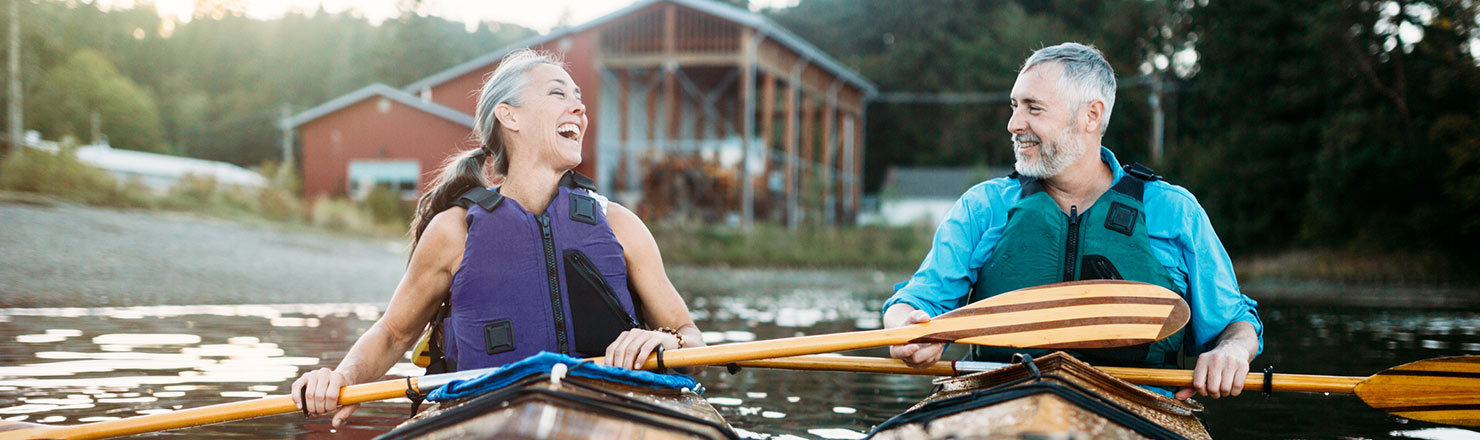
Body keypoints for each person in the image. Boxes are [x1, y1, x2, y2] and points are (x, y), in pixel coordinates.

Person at [290, 49, 706, 427]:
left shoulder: (619, 224)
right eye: (558, 94)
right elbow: (393, 334)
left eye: (578, 98)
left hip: (613, 412)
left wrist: (664, 337)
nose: (579, 108)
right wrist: (341, 377)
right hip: (484, 415)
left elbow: (691, 338)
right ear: (510, 116)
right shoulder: (455, 230)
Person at [882, 42, 1262, 401]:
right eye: (1014, 106)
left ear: (1091, 115)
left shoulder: (1174, 212)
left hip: (1136, 405)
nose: (1014, 124)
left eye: (1033, 108)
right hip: (1000, 402)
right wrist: (906, 328)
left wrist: (1232, 350)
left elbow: (1235, 323)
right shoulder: (983, 208)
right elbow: (914, 302)